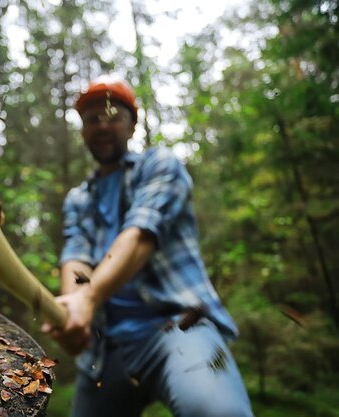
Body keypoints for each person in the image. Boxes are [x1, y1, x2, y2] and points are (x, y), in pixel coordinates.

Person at [42, 78, 254, 417]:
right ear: (82, 132)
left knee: (217, 411)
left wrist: (88, 298)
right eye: (92, 119)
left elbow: (140, 234)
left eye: (113, 116)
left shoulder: (161, 166)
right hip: (106, 347)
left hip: (177, 325)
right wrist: (73, 312)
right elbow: (76, 256)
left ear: (132, 125)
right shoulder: (78, 199)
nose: (103, 125)